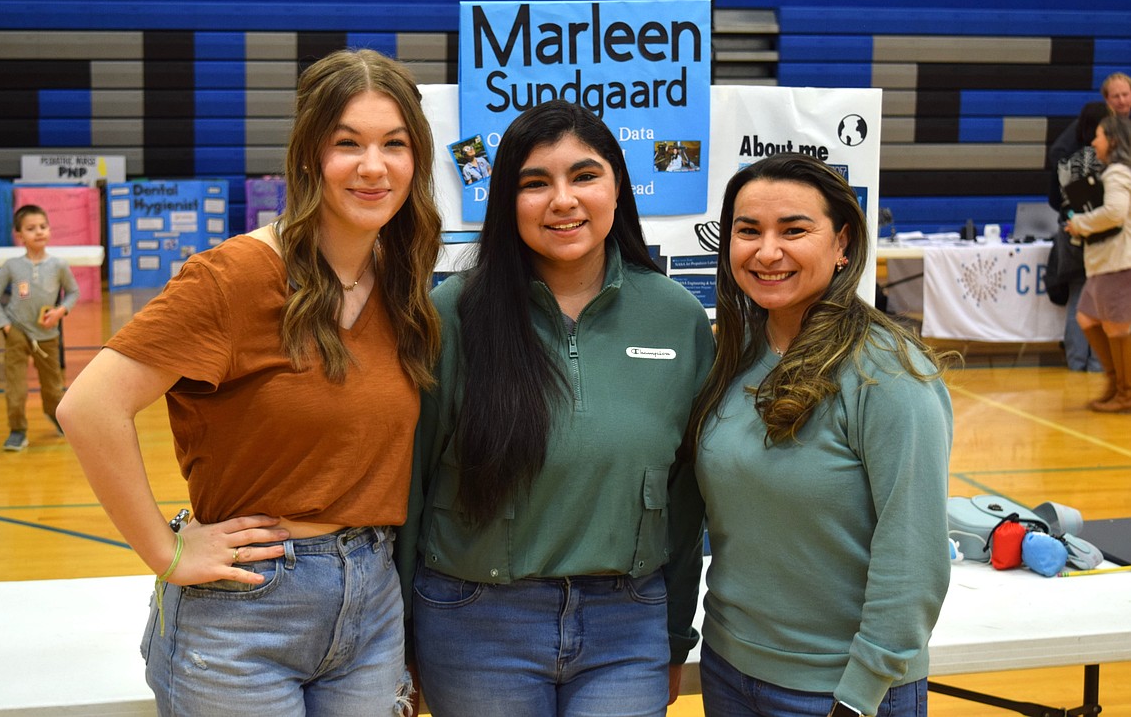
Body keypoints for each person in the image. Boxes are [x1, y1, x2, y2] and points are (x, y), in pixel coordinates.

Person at [56, 48, 442, 715]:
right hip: (245, 611)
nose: (374, 166)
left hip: (373, 604)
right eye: (347, 143)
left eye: (394, 144)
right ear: (308, 155)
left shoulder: (402, 284)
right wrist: (166, 551)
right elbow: (89, 408)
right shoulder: (232, 277)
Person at [398, 99, 714, 717]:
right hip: (475, 624)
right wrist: (401, 635)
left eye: (585, 176)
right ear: (505, 203)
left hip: (628, 624)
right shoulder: (454, 315)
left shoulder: (676, 316)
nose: (562, 200)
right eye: (534, 183)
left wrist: (676, 632)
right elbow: (410, 486)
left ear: (617, 188)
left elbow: (685, 497)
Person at [684, 153, 954, 717]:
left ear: (843, 245)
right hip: (730, 668)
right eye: (748, 231)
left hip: (840, 691)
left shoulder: (888, 372)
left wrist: (859, 696)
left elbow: (914, 554)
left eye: (794, 230)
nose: (767, 251)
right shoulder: (734, 358)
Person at [0, 204, 80, 452]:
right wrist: (5, 326)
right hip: (17, 332)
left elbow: (73, 292)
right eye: (31, 228)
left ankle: (56, 416)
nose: (38, 232)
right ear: (19, 235)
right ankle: (17, 430)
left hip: (48, 335)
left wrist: (61, 310)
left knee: (52, 387)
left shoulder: (59, 264)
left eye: (43, 226)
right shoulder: (12, 265)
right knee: (15, 387)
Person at [1065, 114, 1131, 413]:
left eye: (1099, 136)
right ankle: (1115, 382)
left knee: (1119, 328)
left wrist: (1080, 223)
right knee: (1087, 318)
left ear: (1113, 140)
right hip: (1105, 263)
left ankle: (1126, 393)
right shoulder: (1114, 171)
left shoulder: (1117, 172)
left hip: (1117, 261)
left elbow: (1116, 212)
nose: (1093, 142)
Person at [1049, 101, 1110, 372]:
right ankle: (1098, 363)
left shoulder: (1065, 159)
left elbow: (1053, 199)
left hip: (1070, 236)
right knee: (1102, 302)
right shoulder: (1105, 161)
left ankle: (1075, 361)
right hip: (1100, 237)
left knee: (1077, 299)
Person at [1047, 72, 1131, 196]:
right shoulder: (1091, 121)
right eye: (1116, 96)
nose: (1122, 101)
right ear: (1106, 99)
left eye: (1125, 95)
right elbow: (1057, 153)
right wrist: (1079, 185)